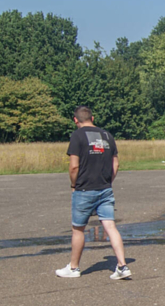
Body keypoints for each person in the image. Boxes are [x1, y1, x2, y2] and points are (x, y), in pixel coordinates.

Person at [57, 106, 132, 279]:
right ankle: (122, 265)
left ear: (75, 120)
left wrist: (73, 184)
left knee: (78, 230)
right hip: (105, 188)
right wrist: (108, 181)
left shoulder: (77, 136)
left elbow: (74, 165)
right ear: (93, 118)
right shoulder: (107, 136)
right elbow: (116, 164)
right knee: (110, 227)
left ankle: (74, 268)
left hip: (84, 189)